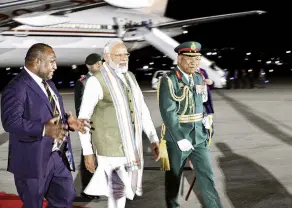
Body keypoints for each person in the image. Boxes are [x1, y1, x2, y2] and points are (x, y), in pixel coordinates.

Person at [1, 43, 89, 208]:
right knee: (33, 203)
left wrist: (67, 123)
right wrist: (43, 129)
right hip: (32, 159)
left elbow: (51, 115)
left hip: (57, 156)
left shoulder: (49, 84)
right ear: (36, 61)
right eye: (51, 62)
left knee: (65, 197)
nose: (55, 66)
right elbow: (11, 122)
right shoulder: (16, 87)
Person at [77, 39, 160, 208]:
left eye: (125, 54)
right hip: (110, 148)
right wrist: (87, 152)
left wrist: (153, 138)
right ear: (106, 57)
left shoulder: (130, 77)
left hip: (132, 146)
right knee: (118, 191)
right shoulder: (96, 81)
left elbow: (142, 109)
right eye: (119, 54)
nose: (124, 58)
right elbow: (83, 119)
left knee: (121, 191)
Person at [158, 41, 222, 208]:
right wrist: (179, 138)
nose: (194, 62)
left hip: (199, 136)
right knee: (174, 177)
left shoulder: (199, 77)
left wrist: (205, 118)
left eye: (197, 59)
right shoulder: (169, 80)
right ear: (179, 59)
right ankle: (173, 206)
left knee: (207, 175)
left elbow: (200, 101)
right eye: (189, 58)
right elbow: (168, 112)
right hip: (178, 137)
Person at [74, 53, 103, 199]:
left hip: (105, 125)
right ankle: (87, 190)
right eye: (96, 64)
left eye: (100, 63)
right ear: (88, 67)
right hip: (90, 126)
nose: (100, 66)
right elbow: (80, 108)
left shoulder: (105, 80)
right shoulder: (83, 83)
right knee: (88, 156)